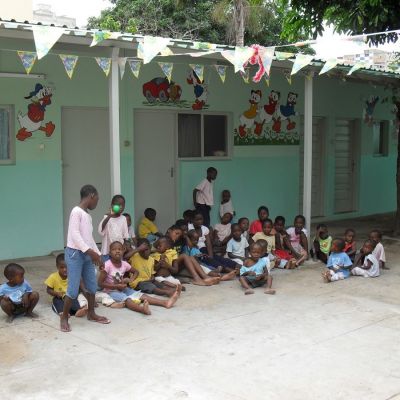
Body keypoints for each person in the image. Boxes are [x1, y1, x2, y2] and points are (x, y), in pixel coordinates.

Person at [61, 184, 110, 333]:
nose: (97, 203)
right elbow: (75, 235)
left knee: (91, 285)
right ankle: (64, 317)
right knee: (73, 288)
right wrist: (90, 252)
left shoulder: (87, 215)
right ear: (92, 196)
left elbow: (88, 238)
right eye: (97, 199)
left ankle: (91, 313)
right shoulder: (76, 212)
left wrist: (98, 255)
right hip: (75, 254)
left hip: (87, 254)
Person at [98, 241, 179, 315]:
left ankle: (165, 303)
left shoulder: (124, 264)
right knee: (127, 300)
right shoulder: (107, 265)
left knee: (142, 295)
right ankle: (142, 309)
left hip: (122, 288)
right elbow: (100, 284)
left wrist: (130, 280)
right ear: (110, 253)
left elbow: (136, 272)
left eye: (119, 249)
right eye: (114, 249)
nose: (117, 251)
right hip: (111, 291)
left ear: (123, 251)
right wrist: (116, 286)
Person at [98, 194, 130, 260]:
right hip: (107, 252)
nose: (121, 207)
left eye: (123, 205)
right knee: (107, 269)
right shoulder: (107, 217)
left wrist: (124, 248)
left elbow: (125, 236)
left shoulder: (123, 219)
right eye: (118, 205)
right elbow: (100, 230)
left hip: (118, 252)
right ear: (112, 205)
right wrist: (109, 216)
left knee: (117, 270)